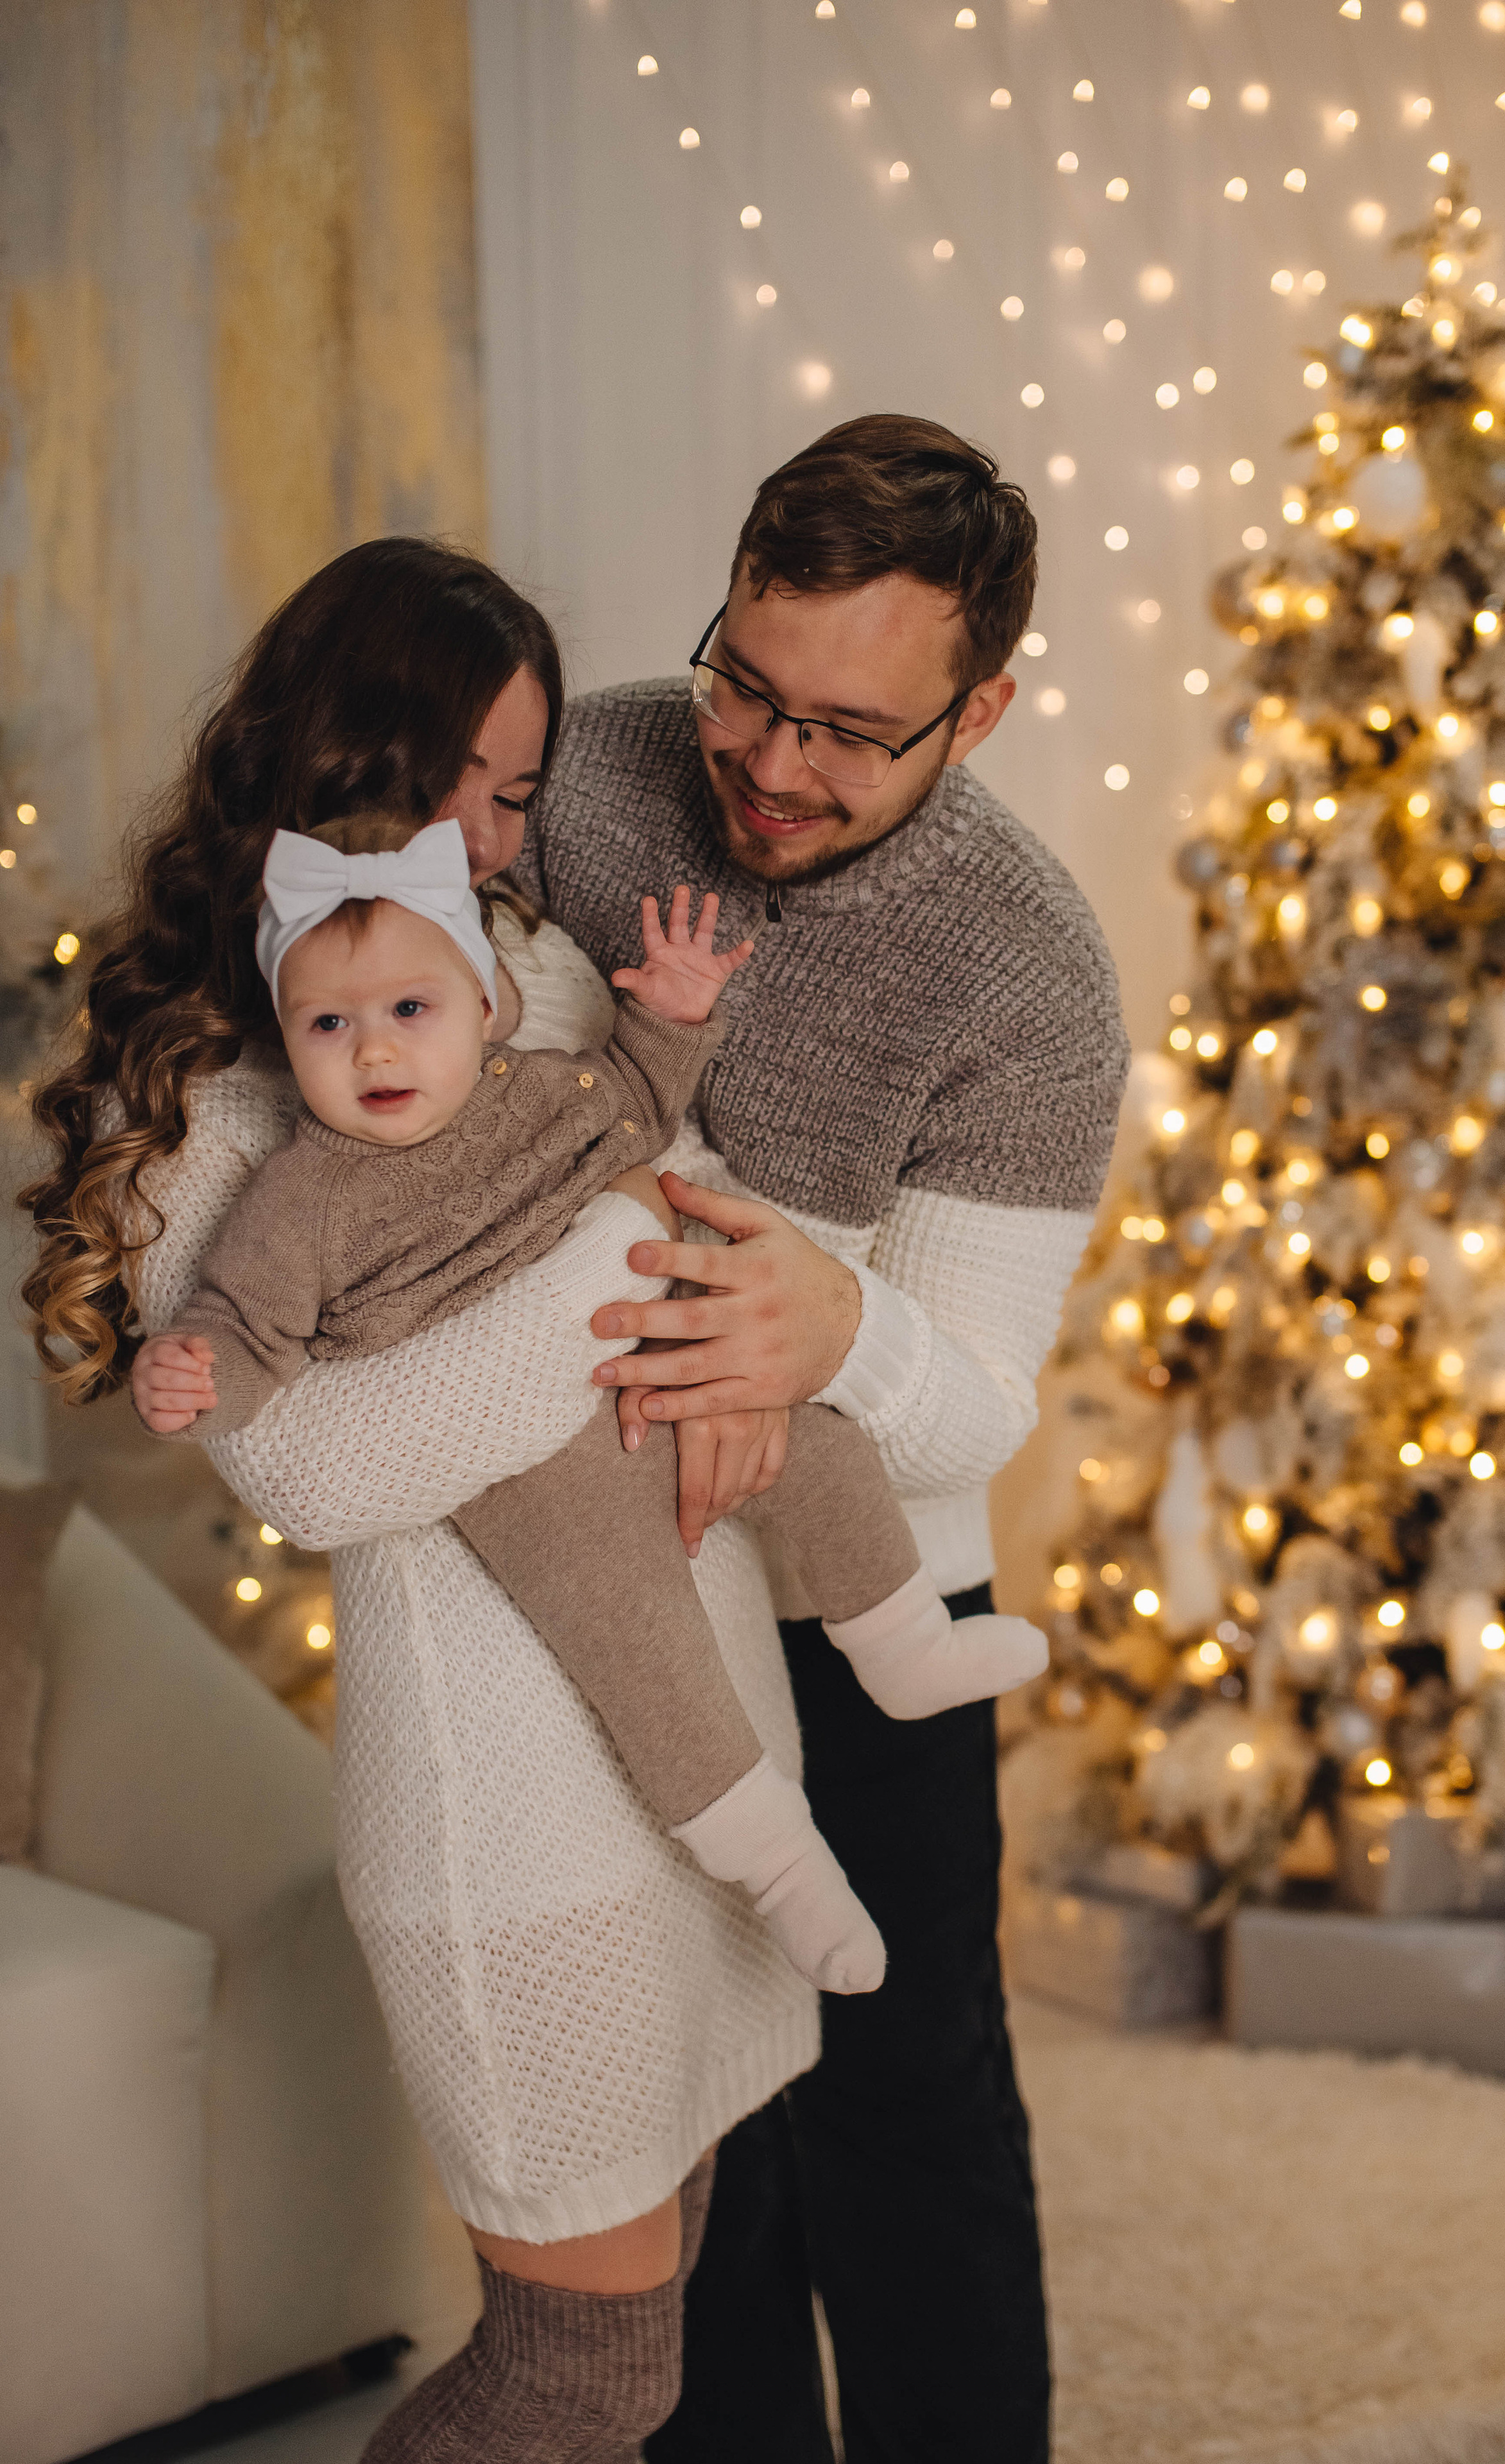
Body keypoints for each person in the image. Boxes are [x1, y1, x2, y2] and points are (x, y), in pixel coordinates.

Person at [20, 540, 841, 2460]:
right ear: (334, 763)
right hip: (510, 1813)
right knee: (582, 2368)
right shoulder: (233, 1085)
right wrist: (617, 1254)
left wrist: (711, 1297)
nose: (492, 836)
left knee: (674, 2280)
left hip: (693, 1744)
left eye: (523, 789)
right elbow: (318, 1460)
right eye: (459, 783)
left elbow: (696, 1181)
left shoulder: (532, 967)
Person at [521, 413, 1129, 2463]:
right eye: (748, 689)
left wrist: (835, 1323)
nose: (773, 770)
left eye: (853, 734)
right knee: (683, 2105)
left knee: (905, 2090)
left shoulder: (1036, 977)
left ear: (984, 713)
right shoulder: (589, 771)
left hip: (864, 1597)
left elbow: (982, 1395)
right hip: (599, 1579)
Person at [130, 812, 1045, 1996]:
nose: (376, 1054)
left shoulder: (536, 1094)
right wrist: (194, 1374)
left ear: (485, 1007)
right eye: (329, 1025)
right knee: (642, 1648)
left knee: (823, 1447)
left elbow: (639, 1096)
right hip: (530, 1481)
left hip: (647, 1377)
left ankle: (908, 1645)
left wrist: (675, 1007)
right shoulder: (297, 1199)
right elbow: (246, 1327)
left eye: (412, 1010)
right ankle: (784, 1873)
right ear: (287, 1040)